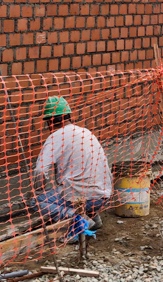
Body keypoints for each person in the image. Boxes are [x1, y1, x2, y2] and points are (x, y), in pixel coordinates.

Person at [32, 95, 113, 241]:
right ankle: (96, 220)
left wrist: (39, 189)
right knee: (82, 183)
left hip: (83, 199)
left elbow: (40, 170)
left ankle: (80, 221)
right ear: (69, 116)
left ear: (49, 122)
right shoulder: (86, 132)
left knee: (35, 201)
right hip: (103, 195)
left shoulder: (55, 137)